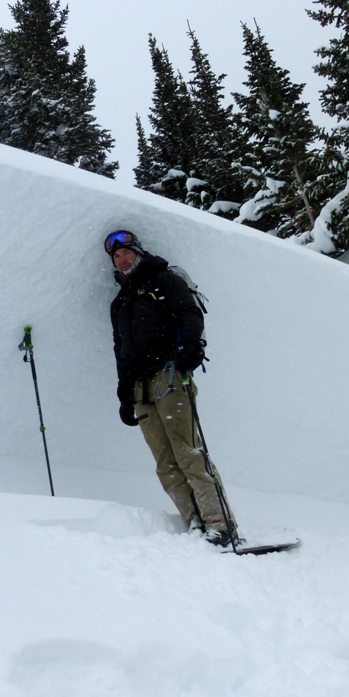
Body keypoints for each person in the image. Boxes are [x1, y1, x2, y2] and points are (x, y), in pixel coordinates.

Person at [105, 229, 239, 546]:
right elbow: (119, 349)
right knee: (165, 462)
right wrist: (124, 392)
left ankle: (219, 522)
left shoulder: (163, 281)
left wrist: (191, 347)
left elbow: (189, 313)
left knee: (188, 452)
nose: (122, 259)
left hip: (169, 374)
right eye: (116, 256)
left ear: (139, 252)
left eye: (127, 253)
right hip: (139, 387)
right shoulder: (120, 301)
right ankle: (195, 522)